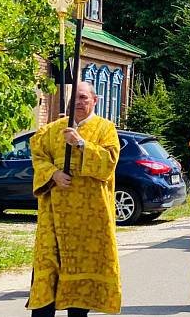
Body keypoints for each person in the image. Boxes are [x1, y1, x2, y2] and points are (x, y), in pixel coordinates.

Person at [27, 82, 121, 317]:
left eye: (83, 98)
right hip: (55, 216)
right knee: (47, 270)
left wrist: (80, 143)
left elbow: (108, 163)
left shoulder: (105, 129)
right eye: (75, 98)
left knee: (82, 276)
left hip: (89, 219)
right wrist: (53, 174)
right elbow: (38, 156)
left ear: (95, 100)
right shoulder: (53, 129)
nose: (78, 102)